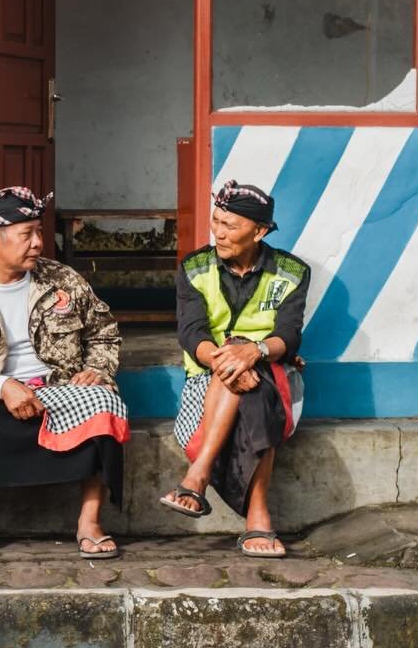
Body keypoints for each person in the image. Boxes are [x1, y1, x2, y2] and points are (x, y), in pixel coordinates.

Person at [0, 186, 129, 561]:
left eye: (39, 231)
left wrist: (96, 369)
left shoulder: (63, 280)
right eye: (27, 234)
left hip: (60, 391)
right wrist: (4, 386)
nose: (37, 242)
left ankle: (90, 523)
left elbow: (104, 331)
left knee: (103, 400)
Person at [159, 180, 310, 559]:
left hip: (274, 373)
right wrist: (228, 360)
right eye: (216, 221)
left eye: (231, 226)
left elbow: (288, 335)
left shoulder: (292, 271)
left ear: (259, 232)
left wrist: (253, 352)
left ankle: (198, 476)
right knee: (243, 384)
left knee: (259, 391)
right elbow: (191, 332)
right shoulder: (194, 267)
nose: (219, 233)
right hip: (206, 375)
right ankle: (258, 519)